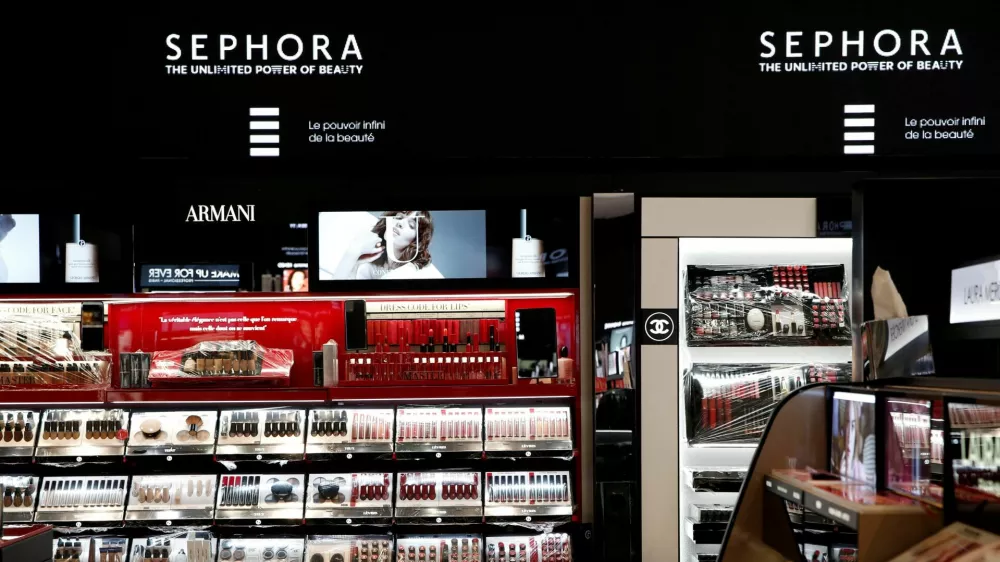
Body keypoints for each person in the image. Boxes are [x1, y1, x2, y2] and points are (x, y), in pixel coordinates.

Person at [331, 211, 443, 280]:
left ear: (416, 240)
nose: (399, 223)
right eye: (399, 217)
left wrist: (353, 252)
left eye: (411, 225)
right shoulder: (377, 264)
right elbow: (338, 297)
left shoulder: (412, 271)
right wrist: (354, 260)